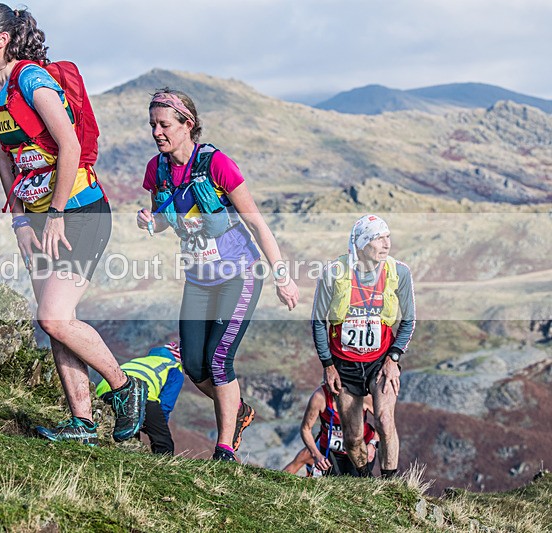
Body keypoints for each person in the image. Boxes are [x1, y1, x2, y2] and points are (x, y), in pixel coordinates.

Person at [0, 3, 146, 445]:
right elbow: (6, 163)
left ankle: (125, 387)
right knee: (57, 323)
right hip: (38, 219)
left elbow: (69, 145)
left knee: (53, 316)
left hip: (79, 212)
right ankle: (82, 423)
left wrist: (57, 213)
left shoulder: (32, 80)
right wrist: (21, 224)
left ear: (2, 39)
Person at [136, 88, 300, 462]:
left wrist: (282, 277)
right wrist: (149, 221)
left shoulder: (216, 164)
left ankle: (224, 450)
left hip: (239, 273)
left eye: (164, 125)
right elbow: (163, 219)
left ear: (187, 125)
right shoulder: (157, 169)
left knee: (218, 359)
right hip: (198, 278)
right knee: (194, 365)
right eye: (152, 125)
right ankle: (237, 408)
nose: (157, 132)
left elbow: (256, 224)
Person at [312, 214, 415, 478]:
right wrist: (328, 365)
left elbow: (409, 320)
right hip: (343, 365)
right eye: (378, 238)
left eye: (388, 237)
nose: (387, 244)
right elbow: (318, 321)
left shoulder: (399, 272)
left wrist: (393, 358)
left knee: (384, 419)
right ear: (361, 243)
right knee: (353, 436)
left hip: (381, 362)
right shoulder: (334, 273)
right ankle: (366, 482)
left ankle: (391, 486)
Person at [95, 342, 184, 455]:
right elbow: (165, 405)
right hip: (140, 395)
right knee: (163, 443)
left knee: (126, 435)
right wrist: (157, 425)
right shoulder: (173, 368)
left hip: (104, 394)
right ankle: (163, 464)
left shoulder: (138, 360)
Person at [282, 384, 379, 477]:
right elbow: (305, 429)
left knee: (357, 483)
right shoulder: (319, 397)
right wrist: (316, 455)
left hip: (361, 448)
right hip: (331, 451)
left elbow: (383, 422)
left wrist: (372, 445)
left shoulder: (362, 395)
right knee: (335, 485)